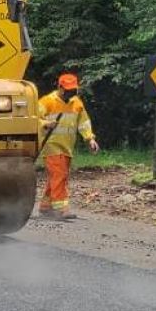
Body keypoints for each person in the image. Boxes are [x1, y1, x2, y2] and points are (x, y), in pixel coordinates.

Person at [36, 72, 100, 220]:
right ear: (60, 87)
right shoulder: (47, 101)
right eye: (68, 90)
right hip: (51, 145)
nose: (71, 93)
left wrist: (90, 139)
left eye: (74, 90)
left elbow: (83, 122)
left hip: (67, 147)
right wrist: (46, 124)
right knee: (59, 175)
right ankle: (61, 210)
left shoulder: (76, 103)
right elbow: (34, 118)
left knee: (57, 177)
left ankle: (45, 207)